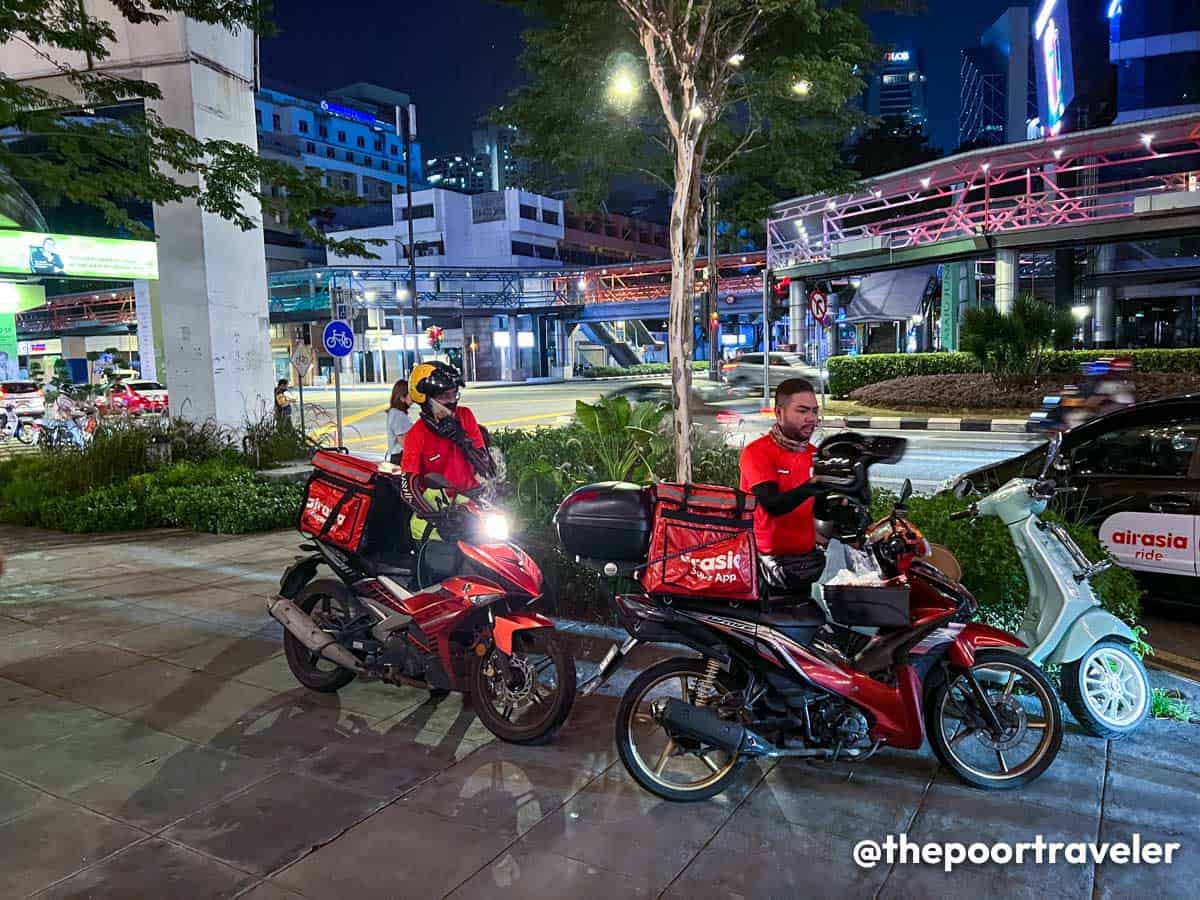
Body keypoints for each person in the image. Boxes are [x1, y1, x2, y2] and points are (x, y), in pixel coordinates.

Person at [739, 377, 830, 604]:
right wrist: (812, 486)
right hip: (763, 567)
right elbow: (773, 504)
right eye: (802, 411)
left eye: (814, 411)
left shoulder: (815, 455)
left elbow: (820, 509)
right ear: (779, 413)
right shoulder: (757, 453)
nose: (811, 418)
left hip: (803, 566)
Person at [399, 360, 494, 545]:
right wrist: (437, 519)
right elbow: (407, 488)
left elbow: (486, 466)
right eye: (444, 396)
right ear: (425, 399)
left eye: (454, 394)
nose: (452, 401)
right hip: (439, 513)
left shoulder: (465, 416)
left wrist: (463, 440)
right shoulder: (416, 435)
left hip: (471, 507)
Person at [385, 379, 413, 465]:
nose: (414, 397)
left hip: (396, 456)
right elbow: (405, 443)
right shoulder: (399, 415)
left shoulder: (394, 412)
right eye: (410, 394)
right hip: (400, 457)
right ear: (402, 397)